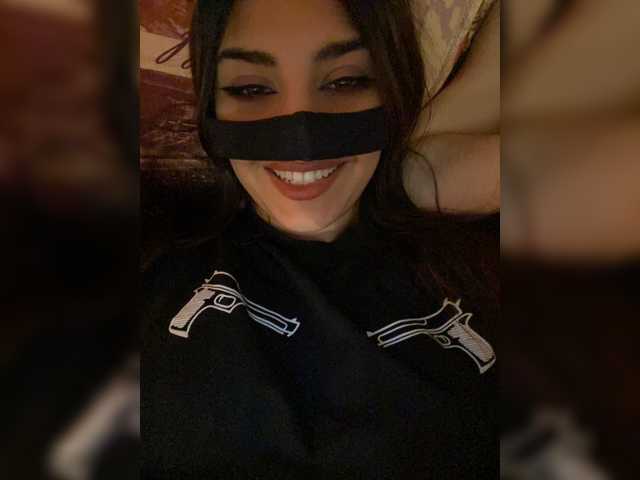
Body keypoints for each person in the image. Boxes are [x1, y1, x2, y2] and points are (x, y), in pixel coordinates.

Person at [142, 1, 499, 478]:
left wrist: (403, 173)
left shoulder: (452, 229)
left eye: (346, 81)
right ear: (212, 107)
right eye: (251, 88)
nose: (301, 136)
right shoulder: (152, 249)